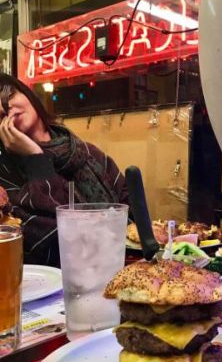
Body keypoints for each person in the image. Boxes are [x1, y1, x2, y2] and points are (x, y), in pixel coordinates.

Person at [0, 72, 131, 267]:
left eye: (9, 96)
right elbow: (50, 243)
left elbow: (130, 214)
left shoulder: (84, 152)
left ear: (28, 95)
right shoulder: (5, 173)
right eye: (0, 112)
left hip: (117, 266)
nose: (6, 107)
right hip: (61, 284)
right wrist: (35, 158)